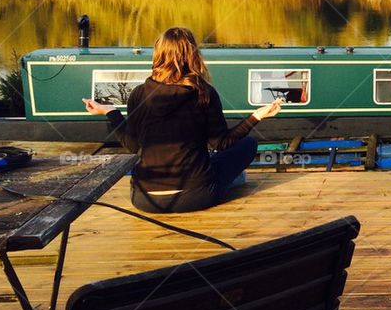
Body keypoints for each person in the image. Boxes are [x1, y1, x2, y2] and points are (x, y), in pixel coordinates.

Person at [82, 27, 282, 213]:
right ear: (193, 56)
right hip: (196, 196)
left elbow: (133, 146)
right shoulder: (204, 93)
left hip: (144, 199)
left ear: (157, 55)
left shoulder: (138, 94)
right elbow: (221, 143)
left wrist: (111, 111)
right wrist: (257, 116)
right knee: (247, 144)